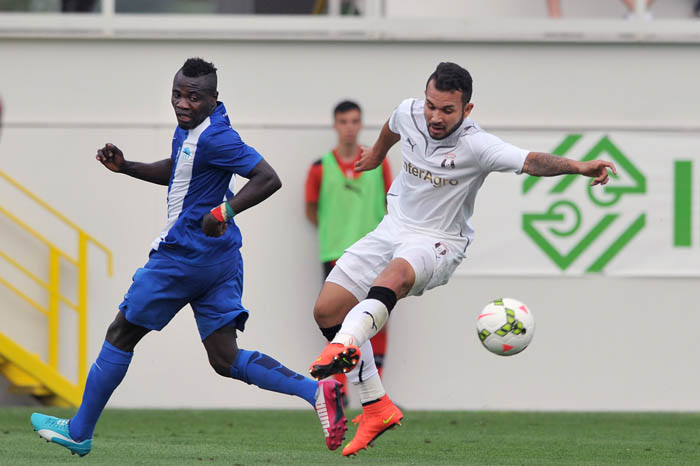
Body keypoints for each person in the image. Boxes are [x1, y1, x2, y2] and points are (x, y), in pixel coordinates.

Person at [30, 57, 347, 457]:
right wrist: (127, 167)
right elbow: (181, 170)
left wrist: (224, 211)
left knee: (121, 332)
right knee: (224, 358)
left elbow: (268, 178)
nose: (182, 103)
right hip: (219, 259)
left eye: (193, 97)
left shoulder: (217, 137)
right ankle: (316, 392)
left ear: (213, 99)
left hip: (184, 256)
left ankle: (79, 431)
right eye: (177, 94)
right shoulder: (193, 129)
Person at [308, 62, 617, 457]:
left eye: (447, 110)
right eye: (431, 105)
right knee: (326, 310)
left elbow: (530, 161)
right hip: (392, 228)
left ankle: (346, 343)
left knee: (394, 277)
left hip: (439, 241)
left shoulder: (477, 145)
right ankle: (375, 404)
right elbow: (392, 126)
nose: (435, 117)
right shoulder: (409, 112)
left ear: (466, 110)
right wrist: (377, 154)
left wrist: (579, 167)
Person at [304, 100, 393, 404]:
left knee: (377, 318)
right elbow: (311, 210)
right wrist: (336, 233)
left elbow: (392, 204)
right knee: (338, 321)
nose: (349, 128)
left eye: (355, 121)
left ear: (360, 123)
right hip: (336, 254)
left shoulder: (378, 163)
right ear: (335, 125)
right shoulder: (320, 168)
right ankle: (339, 390)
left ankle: (376, 394)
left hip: (377, 256)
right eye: (344, 121)